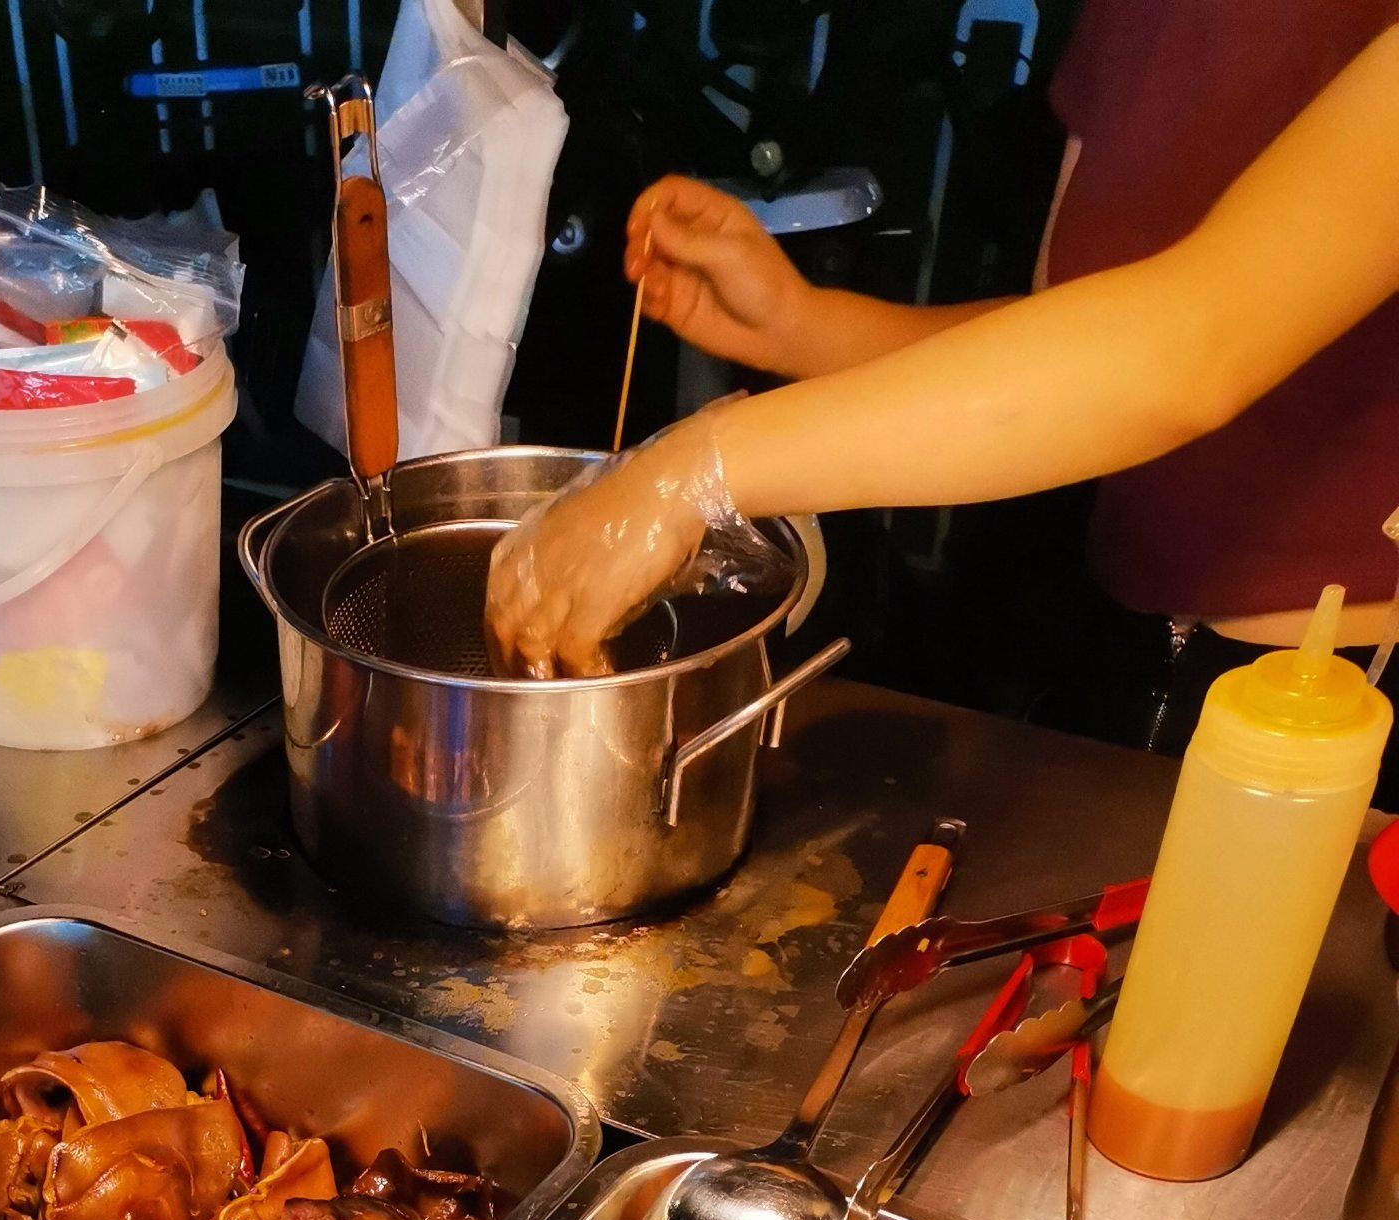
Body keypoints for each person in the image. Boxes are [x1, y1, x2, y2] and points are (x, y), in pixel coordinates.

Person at [486, 16, 1399, 736]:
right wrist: (806, 327)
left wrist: (688, 474)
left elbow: (1190, 350)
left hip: (1339, 703)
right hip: (1123, 641)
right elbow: (1076, 343)